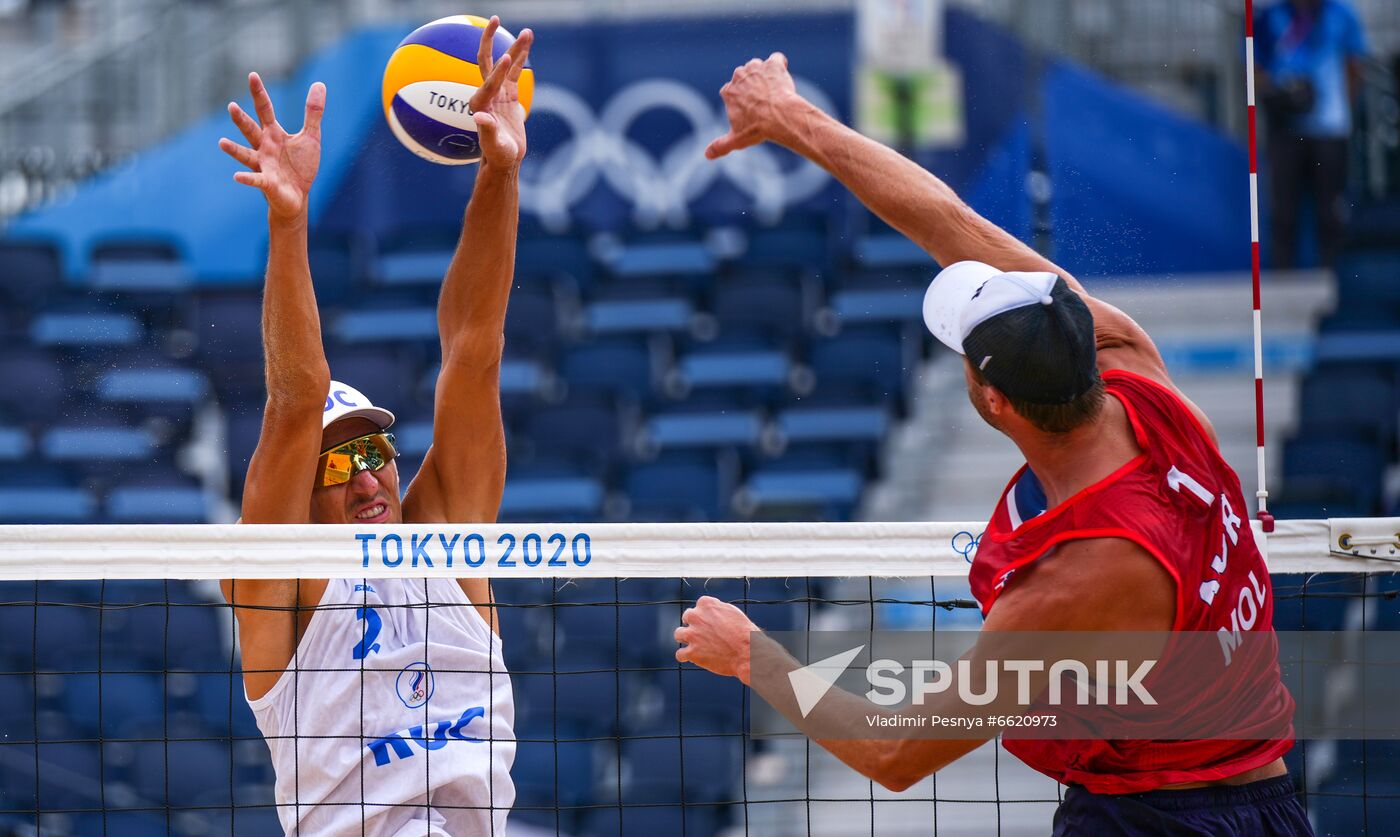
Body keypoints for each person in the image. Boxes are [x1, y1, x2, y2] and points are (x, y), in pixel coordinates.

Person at [675, 54, 1309, 836]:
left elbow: (898, 752)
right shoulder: (1135, 368)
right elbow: (949, 222)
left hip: (1158, 817)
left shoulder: (1070, 583)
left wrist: (751, 656)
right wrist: (790, 117)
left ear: (995, 399)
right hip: (1268, 798)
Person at [216, 18, 531, 836]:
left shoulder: (449, 539)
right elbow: (296, 398)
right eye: (338, 462)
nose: (365, 476)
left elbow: (473, 350)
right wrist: (289, 224)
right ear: (299, 491)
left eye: (374, 451)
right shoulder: (278, 591)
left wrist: (498, 173)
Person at [1255, 0, 1369, 269]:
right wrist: (1277, 94)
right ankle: (1282, 276)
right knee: (1283, 208)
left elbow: (1355, 65)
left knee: (1330, 207)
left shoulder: (1341, 14)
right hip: (1285, 128)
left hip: (1329, 129)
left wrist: (1339, 106)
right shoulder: (1272, 16)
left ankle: (1333, 275)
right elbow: (1254, 66)